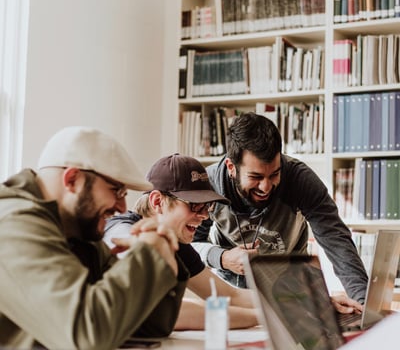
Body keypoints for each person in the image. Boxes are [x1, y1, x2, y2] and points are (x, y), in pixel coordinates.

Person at [0, 126, 189, 350]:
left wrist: (163, 251)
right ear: (72, 180)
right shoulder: (14, 224)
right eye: (116, 191)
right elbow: (86, 335)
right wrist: (149, 254)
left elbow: (149, 326)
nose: (122, 207)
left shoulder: (77, 230)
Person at [192, 112, 369, 305]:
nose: (266, 187)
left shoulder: (300, 180)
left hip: (292, 296)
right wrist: (223, 258)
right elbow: (191, 244)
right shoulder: (209, 185)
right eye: (256, 177)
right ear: (231, 167)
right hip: (232, 297)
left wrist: (363, 304)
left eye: (274, 174)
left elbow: (337, 241)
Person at [104, 153, 260, 330]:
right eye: (195, 205)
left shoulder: (176, 243)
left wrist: (286, 303)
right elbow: (165, 310)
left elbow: (229, 295)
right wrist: (262, 317)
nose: (204, 216)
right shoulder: (121, 230)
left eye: (207, 206)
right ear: (157, 201)